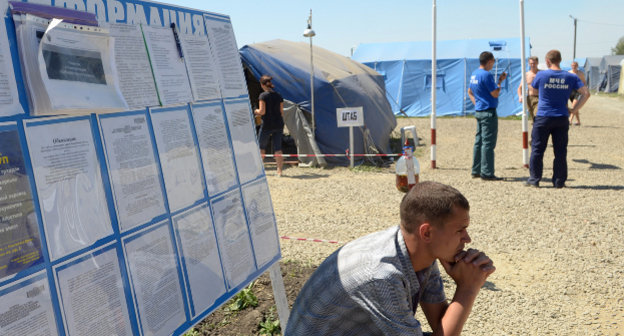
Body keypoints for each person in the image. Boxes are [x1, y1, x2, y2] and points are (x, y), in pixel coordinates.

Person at [285, 181, 495, 336]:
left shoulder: (420, 252)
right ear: (427, 233)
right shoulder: (382, 275)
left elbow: (441, 324)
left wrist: (466, 285)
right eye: (460, 230)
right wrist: (468, 288)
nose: (467, 239)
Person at [526, 50, 589, 188]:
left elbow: (534, 90)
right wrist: (574, 110)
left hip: (543, 116)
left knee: (537, 149)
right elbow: (586, 93)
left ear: (547, 61)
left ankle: (534, 180)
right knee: (560, 151)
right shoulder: (570, 76)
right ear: (560, 60)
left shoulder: (541, 75)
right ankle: (559, 181)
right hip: (561, 117)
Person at [467, 51, 507, 181]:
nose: (493, 65)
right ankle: (487, 172)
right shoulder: (486, 75)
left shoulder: (474, 74)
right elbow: (495, 93)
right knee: (488, 143)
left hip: (479, 111)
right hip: (488, 112)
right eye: (493, 62)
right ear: (489, 61)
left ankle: (476, 170)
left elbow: (470, 92)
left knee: (478, 142)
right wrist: (500, 83)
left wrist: (477, 104)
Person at [254, 75, 285, 176]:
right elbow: (281, 112)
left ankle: (259, 170)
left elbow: (262, 112)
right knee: (278, 148)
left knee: (261, 147)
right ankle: (279, 171)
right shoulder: (279, 95)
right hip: (279, 124)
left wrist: (255, 111)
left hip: (267, 124)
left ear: (262, 85)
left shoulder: (263, 96)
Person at [517, 56, 540, 121]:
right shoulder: (526, 74)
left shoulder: (541, 73)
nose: (532, 65)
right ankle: (535, 129)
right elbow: (519, 88)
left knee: (537, 115)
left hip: (539, 98)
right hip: (530, 98)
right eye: (531, 63)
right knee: (533, 118)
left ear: (537, 63)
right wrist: (520, 96)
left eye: (534, 63)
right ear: (529, 64)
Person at [568, 61, 589, 126]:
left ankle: (570, 120)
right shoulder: (569, 73)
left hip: (579, 91)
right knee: (575, 107)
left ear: (577, 66)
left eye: (575, 65)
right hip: (571, 91)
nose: (573, 66)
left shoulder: (580, 73)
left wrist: (584, 89)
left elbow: (584, 82)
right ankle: (578, 121)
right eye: (572, 65)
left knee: (574, 105)